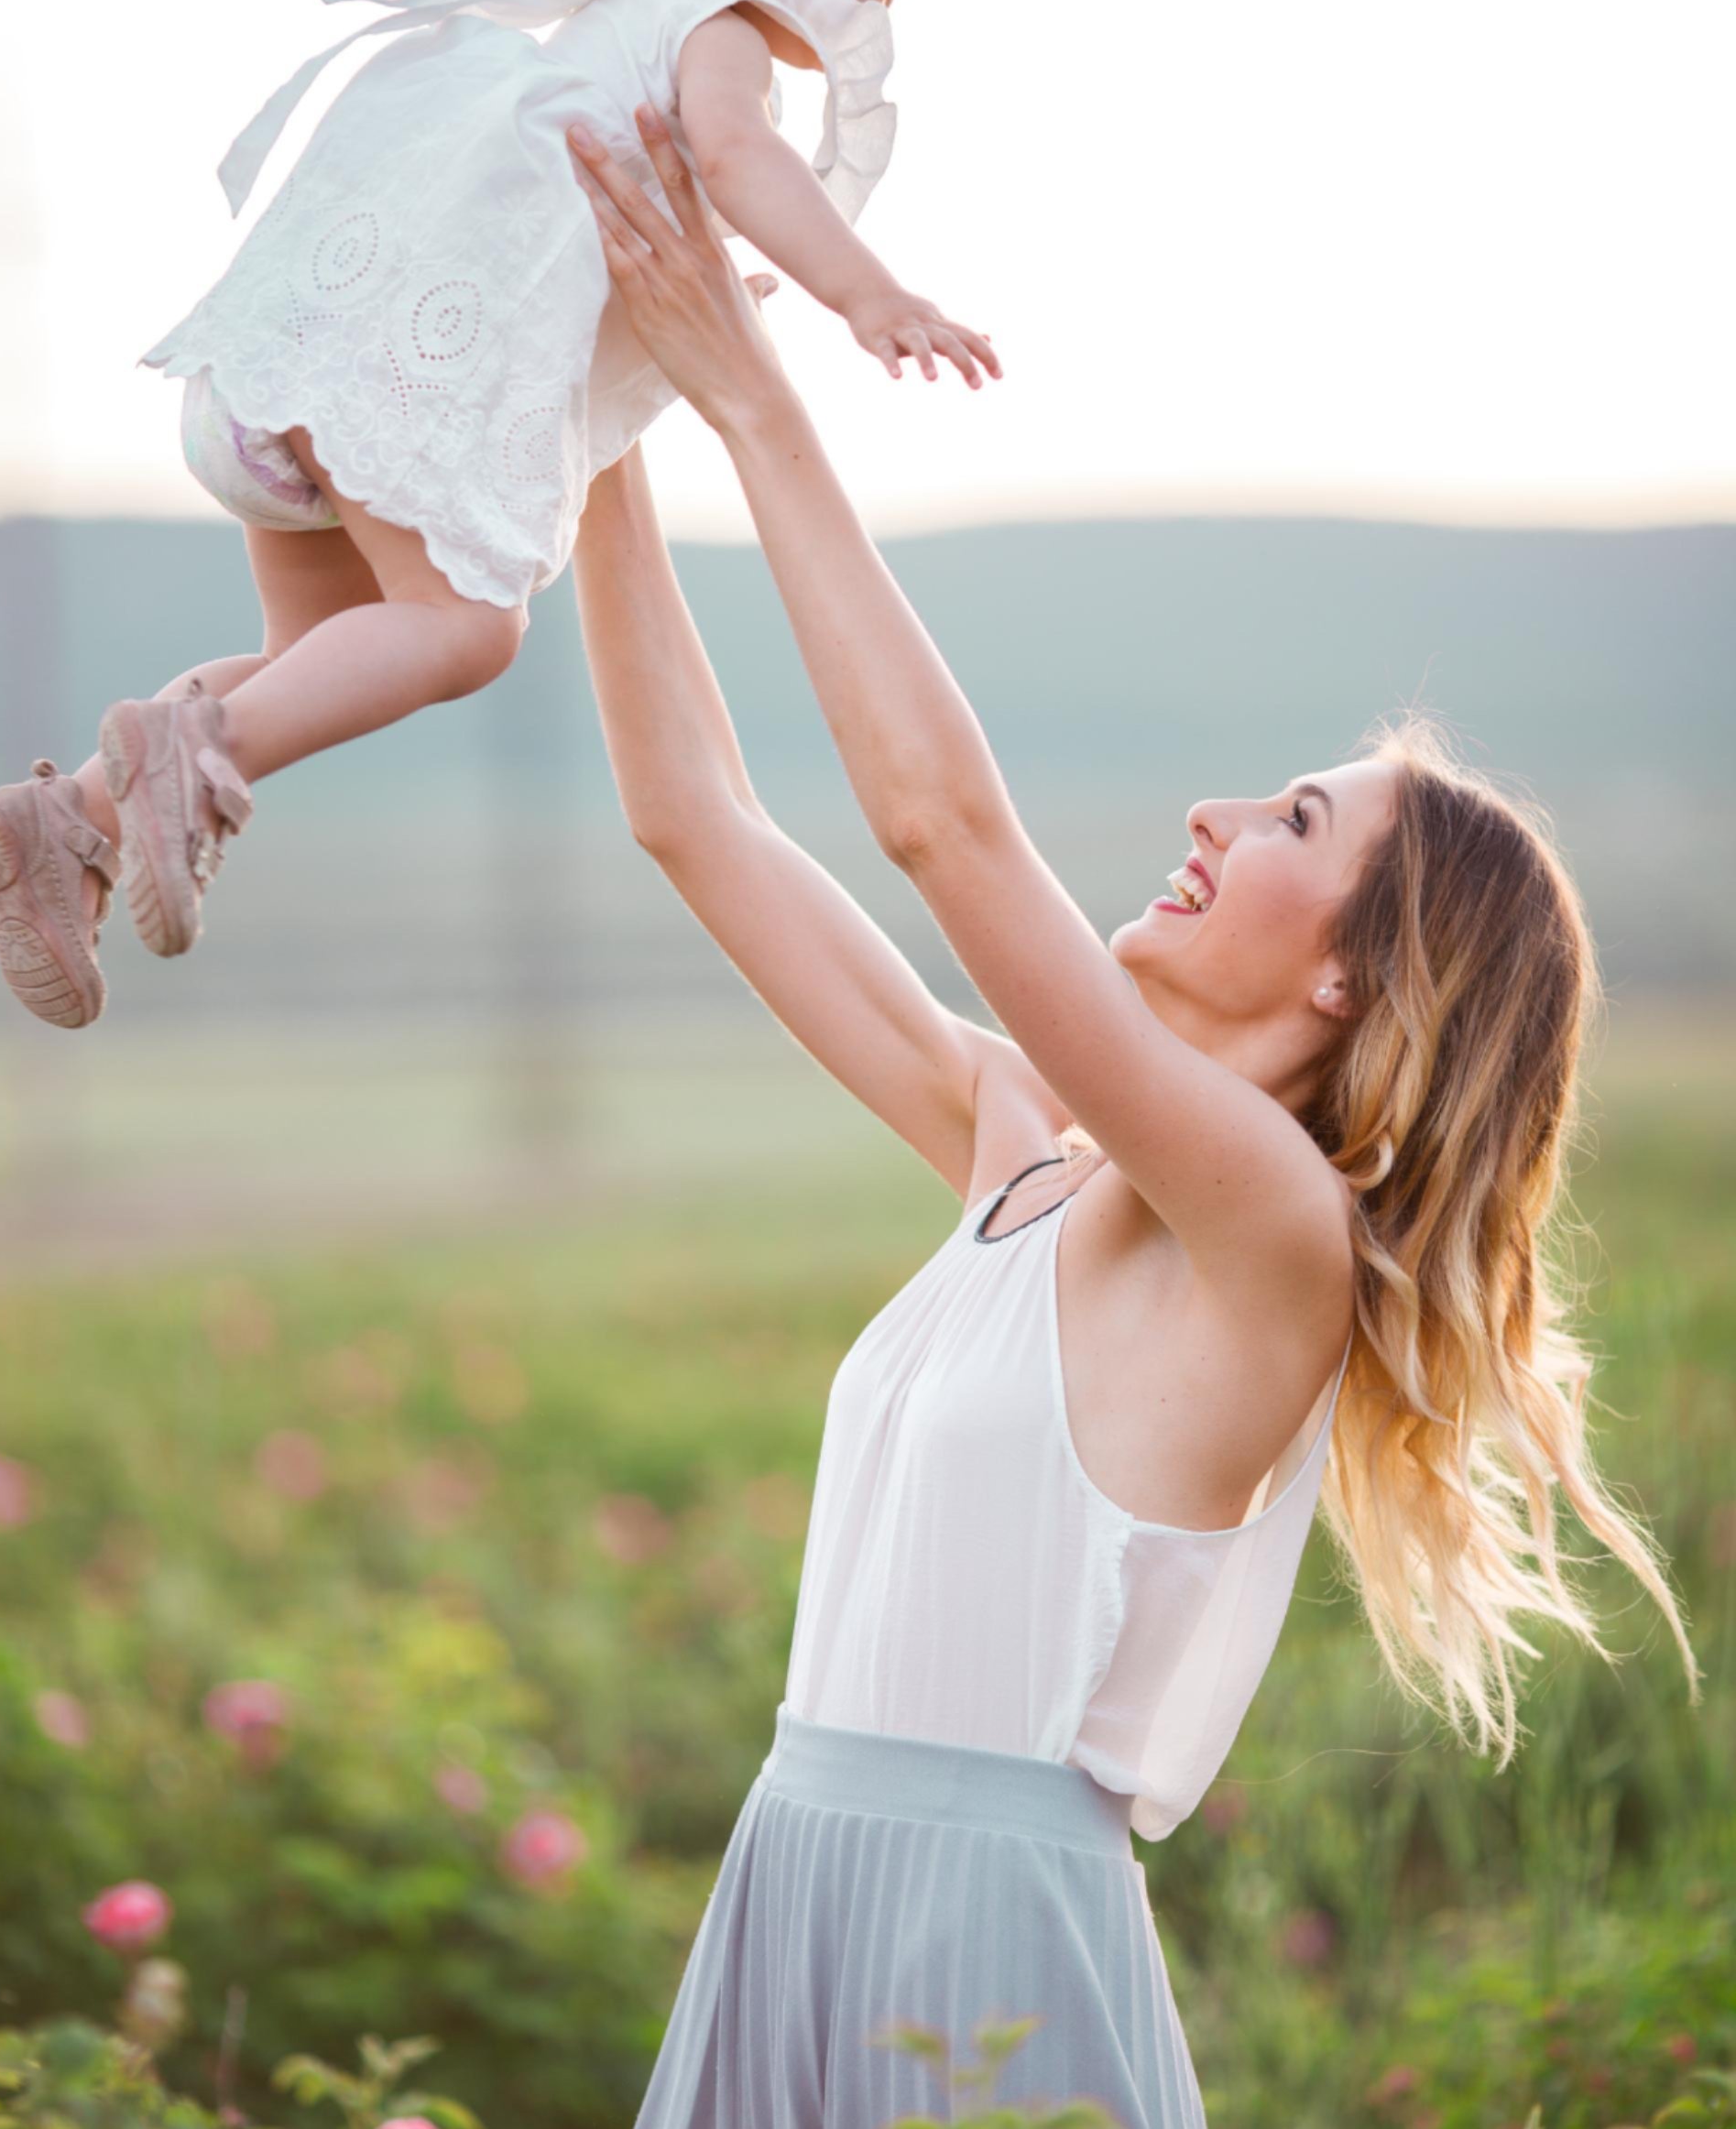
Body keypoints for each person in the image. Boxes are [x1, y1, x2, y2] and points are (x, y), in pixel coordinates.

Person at [564, 111, 1701, 2125]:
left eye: (1290, 821)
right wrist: (602, 430)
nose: (1210, 815)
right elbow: (695, 816)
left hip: (983, 1935)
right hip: (797, 1875)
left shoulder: (1274, 1232)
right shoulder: (1026, 1151)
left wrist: (758, 399)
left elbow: (941, 828)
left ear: (1360, 982)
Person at [0, 0, 994, 1031]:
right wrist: (869, 293)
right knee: (466, 630)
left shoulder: (589, 28)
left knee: (319, 655)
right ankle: (185, 751)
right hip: (390, 403)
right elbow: (745, 156)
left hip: (282, 381)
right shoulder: (715, 19)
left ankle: (61, 824)